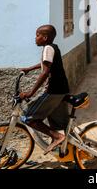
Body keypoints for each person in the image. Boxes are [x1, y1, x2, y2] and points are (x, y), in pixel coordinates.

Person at [19, 24, 70, 154]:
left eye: (37, 35)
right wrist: (30, 69)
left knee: (28, 117)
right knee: (60, 124)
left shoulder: (48, 48)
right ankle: (68, 150)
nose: (35, 38)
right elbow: (46, 63)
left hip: (54, 91)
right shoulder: (53, 47)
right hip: (61, 90)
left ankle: (56, 137)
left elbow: (45, 72)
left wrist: (31, 92)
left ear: (45, 37)